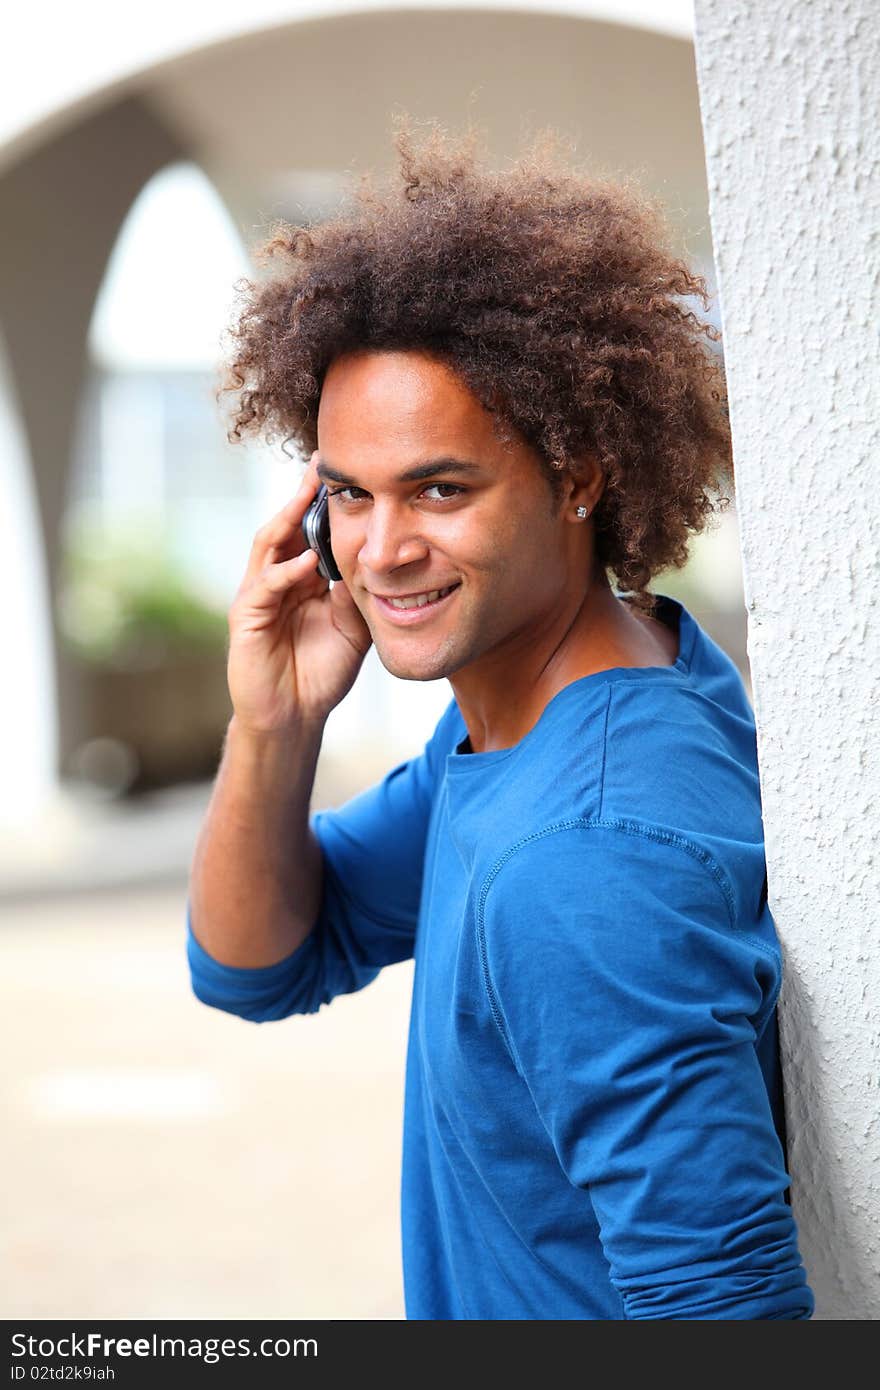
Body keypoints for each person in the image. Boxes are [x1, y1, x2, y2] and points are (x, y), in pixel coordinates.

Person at [186, 121, 815, 1320]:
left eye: (439, 487)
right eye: (347, 496)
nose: (381, 550)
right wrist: (275, 723)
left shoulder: (582, 856)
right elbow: (253, 964)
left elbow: (721, 1316)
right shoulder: (572, 698)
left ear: (577, 470)